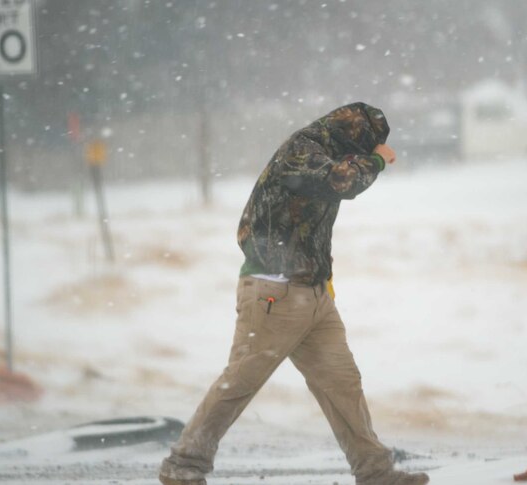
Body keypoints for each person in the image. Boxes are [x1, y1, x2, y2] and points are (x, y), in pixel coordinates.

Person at [159, 103, 429, 485]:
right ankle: (183, 466)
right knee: (240, 382)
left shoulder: (328, 153)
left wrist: (324, 284)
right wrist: (376, 161)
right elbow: (342, 181)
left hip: (314, 295)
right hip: (274, 291)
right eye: (365, 145)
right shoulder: (301, 153)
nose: (364, 154)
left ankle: (376, 474)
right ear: (350, 136)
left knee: (342, 383)